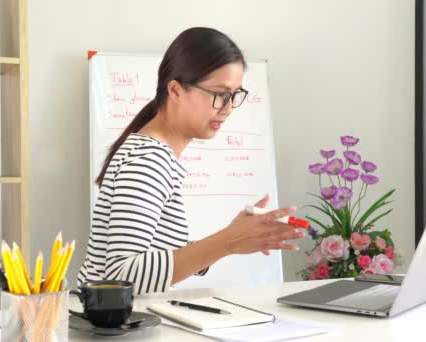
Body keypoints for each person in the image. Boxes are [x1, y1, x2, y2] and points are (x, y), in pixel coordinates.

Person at [78, 27, 305, 295]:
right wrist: (228, 241)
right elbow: (122, 277)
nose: (228, 107)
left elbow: (151, 260)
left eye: (234, 95)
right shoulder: (148, 160)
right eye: (220, 94)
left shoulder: (157, 154)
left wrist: (231, 235)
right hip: (107, 329)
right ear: (175, 90)